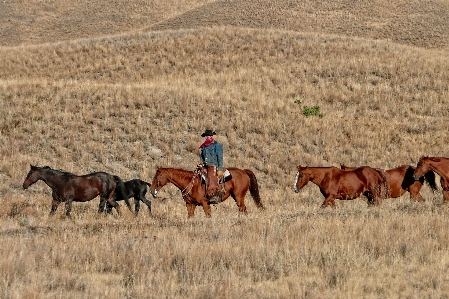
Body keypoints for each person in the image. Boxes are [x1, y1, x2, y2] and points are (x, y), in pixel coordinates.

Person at [199, 129, 224, 202]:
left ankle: (214, 195)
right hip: (205, 166)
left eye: (209, 135)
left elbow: (220, 158)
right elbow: (201, 157)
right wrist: (200, 163)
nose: (207, 137)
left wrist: (219, 169)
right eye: (206, 136)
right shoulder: (203, 146)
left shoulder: (217, 145)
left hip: (213, 165)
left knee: (211, 178)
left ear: (211, 136)